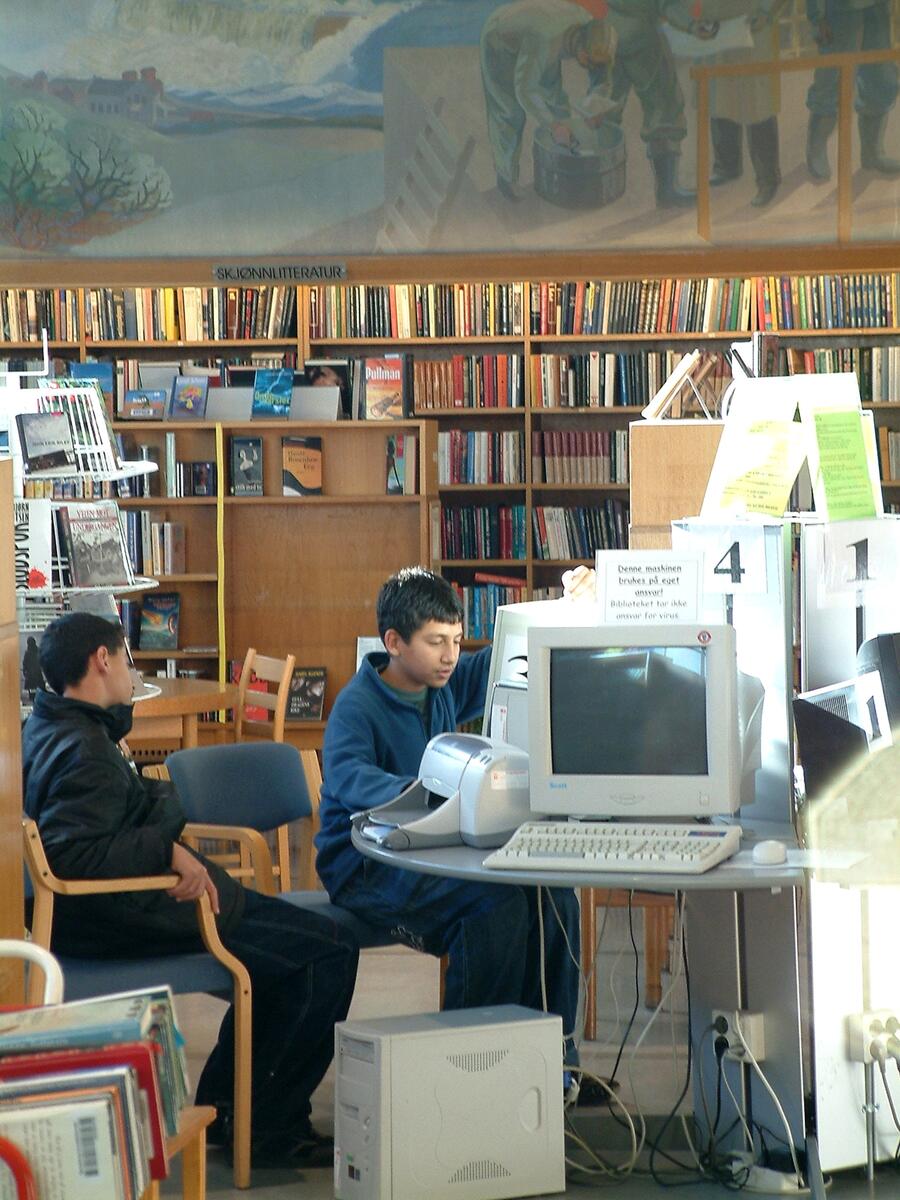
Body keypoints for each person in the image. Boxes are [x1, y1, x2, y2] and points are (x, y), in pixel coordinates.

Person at [22, 612, 359, 1171]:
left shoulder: (51, 725)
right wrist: (164, 846)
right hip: (136, 912)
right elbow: (77, 855)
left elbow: (112, 820)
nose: (133, 673)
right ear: (102, 661)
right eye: (127, 660)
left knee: (300, 944)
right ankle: (267, 1128)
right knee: (329, 950)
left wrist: (159, 819)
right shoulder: (86, 751)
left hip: (123, 907)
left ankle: (232, 1109)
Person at [315, 567, 583, 1068]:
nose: (451, 655)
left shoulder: (440, 684)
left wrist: (567, 605)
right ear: (393, 642)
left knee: (554, 897)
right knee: (494, 907)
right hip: (364, 865)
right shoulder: (358, 705)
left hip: (431, 852)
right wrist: (432, 790)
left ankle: (554, 1064)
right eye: (436, 642)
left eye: (457, 640)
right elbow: (349, 778)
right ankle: (475, 1066)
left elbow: (500, 658)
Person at [480, 0, 615, 201]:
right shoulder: (544, 39)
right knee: (509, 112)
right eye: (588, 61)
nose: (590, 67)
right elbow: (525, 90)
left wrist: (597, 104)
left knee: (557, 101)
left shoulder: (596, 31)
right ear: (580, 47)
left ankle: (563, 163)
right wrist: (554, 125)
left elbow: (602, 75)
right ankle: (506, 177)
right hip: (500, 38)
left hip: (542, 37)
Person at [604, 0, 720, 207]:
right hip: (643, 37)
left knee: (606, 104)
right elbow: (669, 5)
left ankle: (598, 185)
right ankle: (667, 190)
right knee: (664, 106)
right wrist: (692, 25)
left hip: (609, 34)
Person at [805, 0, 900, 181]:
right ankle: (816, 151)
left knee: (881, 76)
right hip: (840, 10)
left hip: (878, 6)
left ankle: (873, 152)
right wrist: (817, 16)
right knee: (832, 79)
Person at [706, 1, 788, 208]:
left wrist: (768, 12)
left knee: (758, 102)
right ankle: (727, 166)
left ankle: (767, 178)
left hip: (755, 24)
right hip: (718, 27)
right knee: (720, 95)